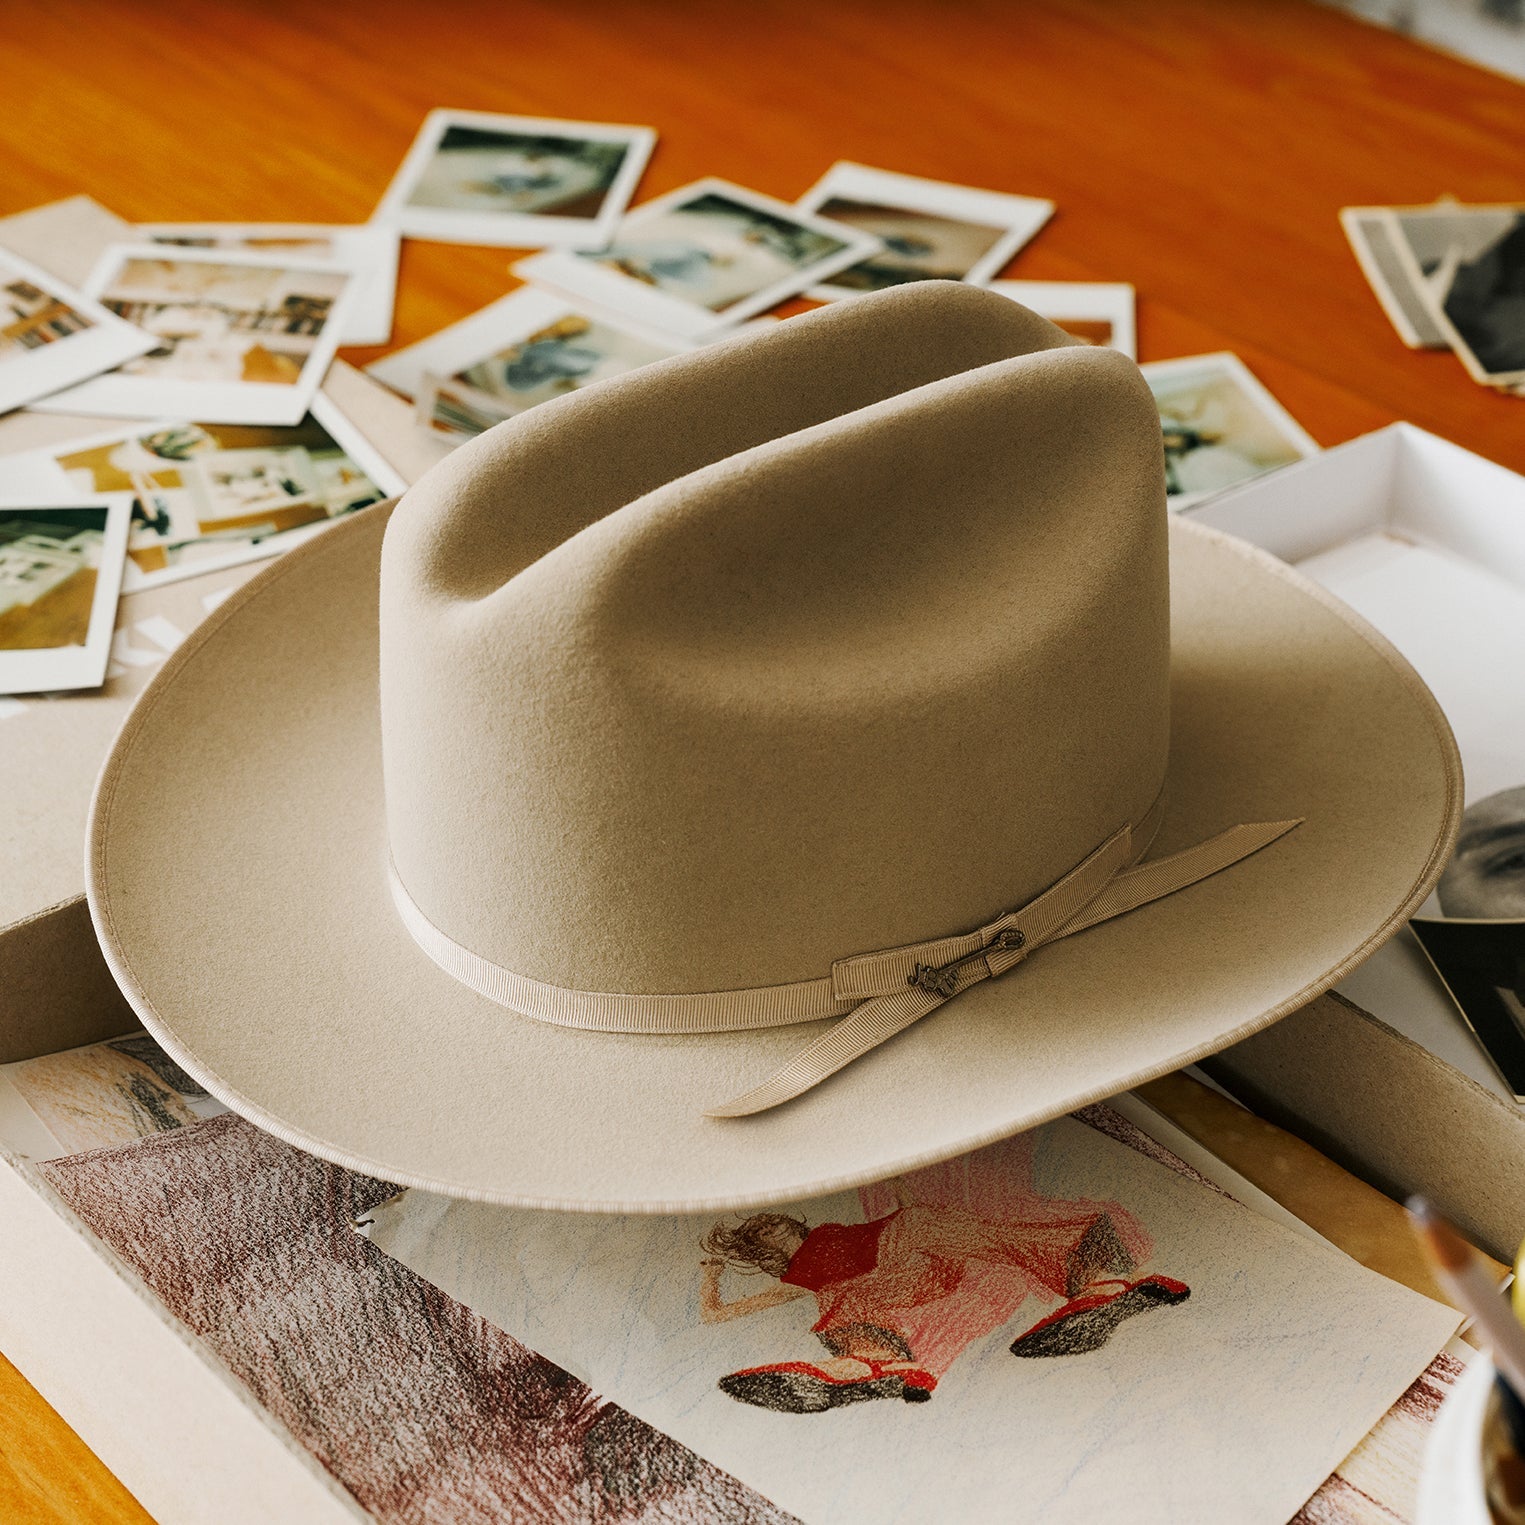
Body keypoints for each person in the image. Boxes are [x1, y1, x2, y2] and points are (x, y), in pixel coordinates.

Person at [700, 1134, 1189, 1412]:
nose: (771, 1221)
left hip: (912, 1237)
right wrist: (710, 1271)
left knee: (976, 1233)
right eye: (761, 1228)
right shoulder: (794, 1278)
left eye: (770, 1217)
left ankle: (1100, 1284)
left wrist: (895, 1182)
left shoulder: (830, 1230)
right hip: (902, 1278)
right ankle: (869, 1364)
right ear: (761, 1250)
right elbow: (719, 1314)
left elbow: (904, 1216)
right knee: (842, 1295)